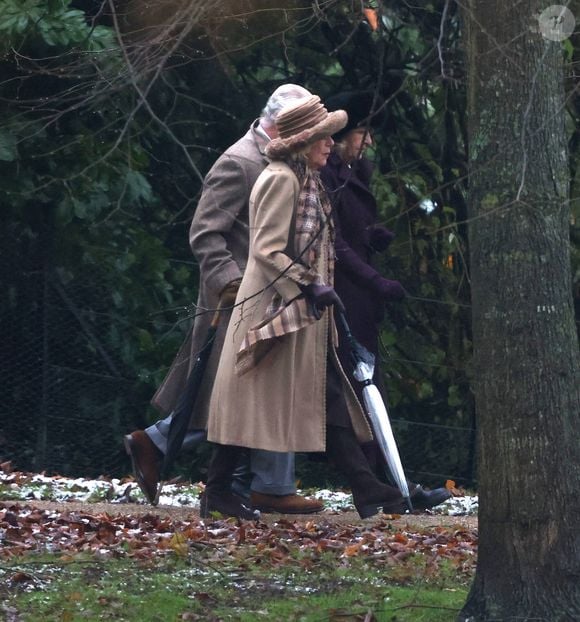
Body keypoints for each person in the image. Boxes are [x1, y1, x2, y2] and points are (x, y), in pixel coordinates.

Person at [202, 94, 411, 520]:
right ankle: (218, 489)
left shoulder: (306, 178)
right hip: (273, 308)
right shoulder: (282, 178)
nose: (330, 144)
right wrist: (310, 284)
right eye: (322, 137)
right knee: (255, 398)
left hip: (298, 308)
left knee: (325, 394)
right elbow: (267, 249)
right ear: (301, 141)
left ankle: (365, 487)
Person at [124, 84, 323, 515]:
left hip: (274, 293)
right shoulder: (240, 162)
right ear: (283, 126)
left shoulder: (285, 163)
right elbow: (205, 232)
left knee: (262, 390)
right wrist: (232, 284)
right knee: (234, 396)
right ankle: (160, 444)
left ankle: (270, 483)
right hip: (237, 301)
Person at [321, 91, 451, 512]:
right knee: (355, 395)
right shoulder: (328, 174)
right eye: (363, 132)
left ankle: (389, 485)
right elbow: (333, 243)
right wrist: (375, 279)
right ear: (342, 136)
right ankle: (386, 486)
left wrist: (372, 235)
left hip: (358, 299)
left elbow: (351, 231)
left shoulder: (356, 171)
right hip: (340, 296)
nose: (369, 142)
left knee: (368, 394)